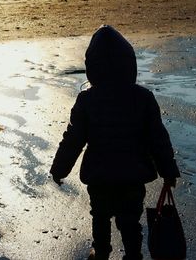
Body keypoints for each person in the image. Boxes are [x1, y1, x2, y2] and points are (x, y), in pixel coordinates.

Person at [49, 25, 180, 260]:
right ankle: (132, 255)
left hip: (99, 176)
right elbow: (157, 138)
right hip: (133, 175)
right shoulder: (143, 98)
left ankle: (101, 252)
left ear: (92, 68)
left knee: (100, 216)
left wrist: (59, 169)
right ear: (130, 64)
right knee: (130, 221)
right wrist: (168, 171)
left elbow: (74, 139)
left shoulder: (87, 100)